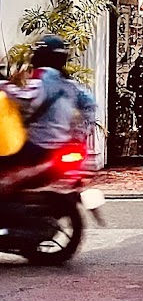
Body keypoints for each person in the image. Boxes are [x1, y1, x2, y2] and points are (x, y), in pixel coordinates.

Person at [0, 35, 96, 194]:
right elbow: (90, 104)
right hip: (62, 145)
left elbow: (25, 97)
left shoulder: (42, 76)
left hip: (37, 146)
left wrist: (4, 85)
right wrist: (79, 135)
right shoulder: (69, 84)